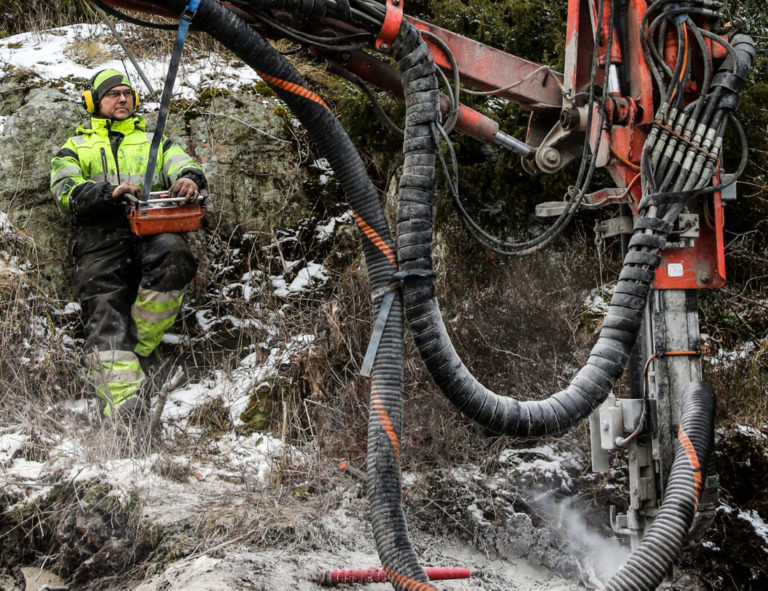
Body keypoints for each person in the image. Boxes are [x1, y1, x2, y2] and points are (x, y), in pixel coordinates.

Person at [50, 69, 207, 418]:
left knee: (176, 255)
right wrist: (108, 193)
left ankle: (136, 347)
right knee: (105, 310)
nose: (122, 99)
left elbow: (182, 162)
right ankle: (123, 408)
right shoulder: (75, 146)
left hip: (150, 232)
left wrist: (188, 177)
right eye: (112, 94)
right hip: (98, 239)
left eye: (127, 93)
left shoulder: (155, 141)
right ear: (93, 102)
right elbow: (64, 189)